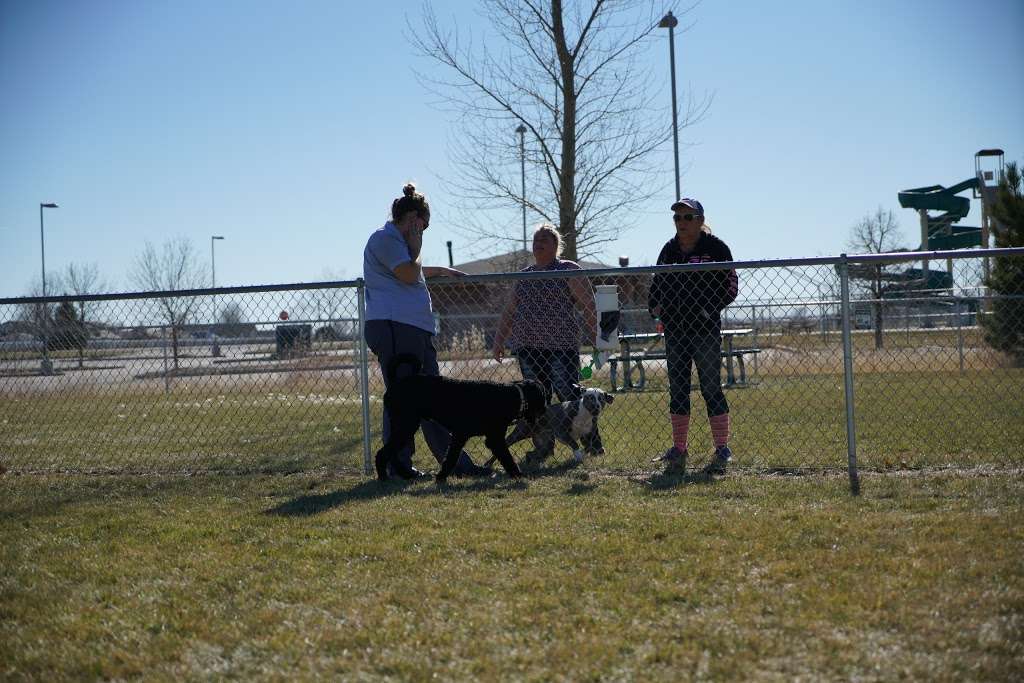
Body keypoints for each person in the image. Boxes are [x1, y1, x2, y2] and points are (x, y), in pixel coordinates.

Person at [363, 183, 492, 478]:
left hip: (413, 328)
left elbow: (411, 270)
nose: (423, 232)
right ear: (412, 219)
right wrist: (418, 247)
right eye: (423, 226)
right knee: (404, 399)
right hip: (395, 327)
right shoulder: (384, 238)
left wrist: (442, 271)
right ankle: (397, 466)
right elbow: (408, 273)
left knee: (435, 399)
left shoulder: (396, 243)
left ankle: (455, 464)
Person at [492, 224, 601, 460]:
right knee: (537, 401)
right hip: (528, 348)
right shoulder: (523, 276)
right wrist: (499, 340)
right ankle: (543, 448)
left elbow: (588, 304)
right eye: (535, 239)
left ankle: (592, 445)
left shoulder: (567, 269)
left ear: (556, 246)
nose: (538, 242)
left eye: (545, 239)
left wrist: (595, 336)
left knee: (568, 395)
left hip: (561, 347)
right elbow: (509, 311)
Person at [648, 198, 738, 476]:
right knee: (678, 390)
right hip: (675, 331)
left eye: (688, 217)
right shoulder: (669, 249)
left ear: (700, 220)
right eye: (677, 218)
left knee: (711, 387)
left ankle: (722, 447)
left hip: (705, 330)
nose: (682, 223)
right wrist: (656, 309)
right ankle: (679, 448)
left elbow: (731, 285)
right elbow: (656, 284)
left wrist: (708, 309)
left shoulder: (716, 248)